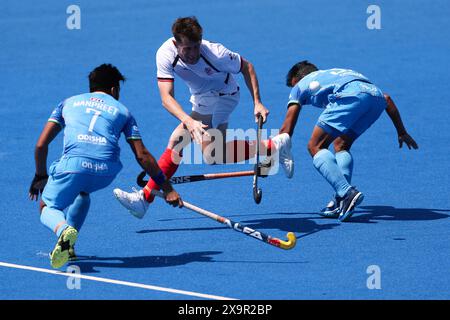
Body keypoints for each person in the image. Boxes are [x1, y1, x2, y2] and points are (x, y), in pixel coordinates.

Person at [113, 16, 291, 218]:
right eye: (187, 49)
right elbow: (166, 97)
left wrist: (257, 102)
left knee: (178, 142)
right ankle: (274, 145)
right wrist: (189, 121)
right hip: (200, 97)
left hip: (224, 94)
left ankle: (144, 199)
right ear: (175, 43)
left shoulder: (216, 53)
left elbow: (247, 67)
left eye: (196, 47)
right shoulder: (165, 53)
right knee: (214, 155)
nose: (193, 54)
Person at [29, 64, 182, 269]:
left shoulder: (67, 103)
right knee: (82, 192)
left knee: (47, 206)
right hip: (105, 171)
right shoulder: (124, 112)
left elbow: (41, 145)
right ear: (113, 90)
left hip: (73, 167)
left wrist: (40, 175)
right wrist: (167, 188)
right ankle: (69, 247)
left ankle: (63, 230)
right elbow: (142, 155)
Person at [267, 61, 418, 222]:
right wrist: (401, 131)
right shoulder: (334, 74)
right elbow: (386, 98)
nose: (294, 91)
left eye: (293, 86)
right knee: (341, 144)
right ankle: (341, 199)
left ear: (297, 79)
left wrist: (267, 161)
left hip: (350, 96)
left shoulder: (300, 86)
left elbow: (286, 131)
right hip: (375, 99)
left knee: (315, 146)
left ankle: (346, 192)